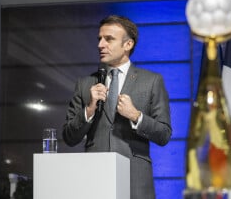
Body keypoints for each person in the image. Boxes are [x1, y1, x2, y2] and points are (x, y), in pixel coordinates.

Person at [62, 15, 172, 199]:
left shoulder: (152, 81)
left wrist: (136, 115)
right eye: (100, 39)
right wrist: (89, 110)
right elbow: (69, 137)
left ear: (128, 45)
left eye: (109, 39)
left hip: (135, 183)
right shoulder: (84, 84)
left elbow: (164, 134)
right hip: (94, 182)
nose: (100, 45)